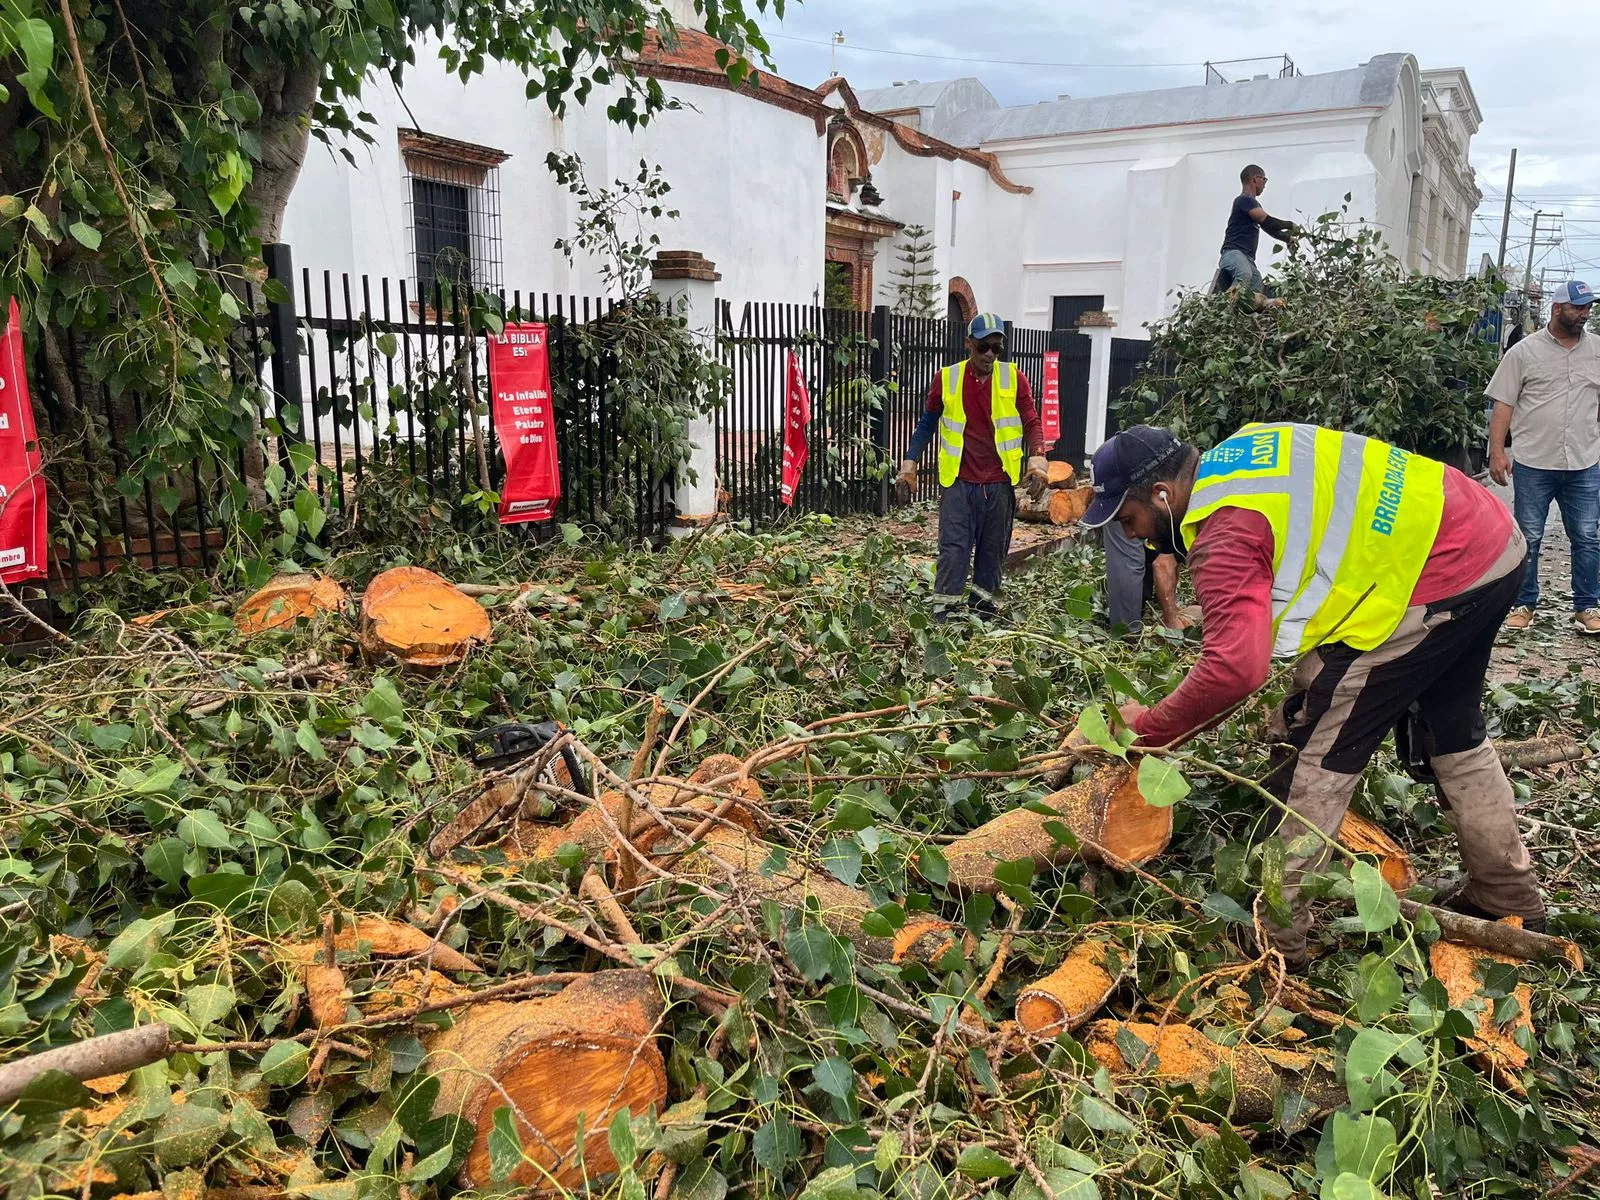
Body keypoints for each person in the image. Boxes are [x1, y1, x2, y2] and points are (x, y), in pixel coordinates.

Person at [1079, 421, 1546, 969]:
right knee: (1452, 730)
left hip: (1436, 574)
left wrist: (1146, 728)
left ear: (1161, 495)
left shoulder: (1224, 531)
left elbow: (1234, 668)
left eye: (1129, 519)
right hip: (1489, 540)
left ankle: (1277, 937)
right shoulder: (1239, 457)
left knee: (1316, 759)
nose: (1132, 536)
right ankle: (1509, 897)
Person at [897, 313, 1048, 617]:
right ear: (969, 344)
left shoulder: (1014, 378)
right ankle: (945, 621)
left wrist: (1039, 458)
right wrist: (909, 462)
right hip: (959, 484)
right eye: (983, 347)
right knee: (953, 553)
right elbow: (927, 423)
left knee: (991, 557)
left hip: (998, 486)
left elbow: (1031, 420)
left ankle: (983, 619)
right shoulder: (947, 379)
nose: (990, 354)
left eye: (997, 348)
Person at [1486, 279, 1600, 634]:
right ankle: (1523, 604)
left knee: (1587, 536)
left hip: (1584, 461)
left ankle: (1587, 606)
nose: (1585, 314)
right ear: (1556, 309)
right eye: (1578, 307)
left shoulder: (1597, 350)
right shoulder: (1523, 352)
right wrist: (1497, 451)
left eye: (1588, 308)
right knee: (1529, 536)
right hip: (1535, 461)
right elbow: (1503, 403)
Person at [1216, 164, 1299, 310]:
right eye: (1264, 180)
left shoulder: (1253, 204)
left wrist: (1287, 238)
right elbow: (1267, 221)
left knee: (1256, 288)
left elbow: (1268, 227)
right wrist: (1291, 225)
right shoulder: (1244, 200)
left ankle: (1243, 316)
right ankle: (1226, 308)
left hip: (1248, 258)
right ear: (1255, 179)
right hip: (1233, 253)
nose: (1265, 185)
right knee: (1244, 275)